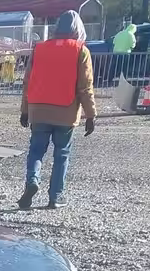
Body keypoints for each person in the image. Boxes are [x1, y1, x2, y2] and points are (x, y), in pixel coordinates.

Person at [19, 11, 96, 210]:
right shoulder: (81, 50)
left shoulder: (39, 49)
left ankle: (32, 180)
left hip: (38, 109)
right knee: (61, 154)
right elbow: (85, 87)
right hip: (66, 110)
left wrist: (25, 110)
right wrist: (90, 115)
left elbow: (27, 81)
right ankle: (56, 196)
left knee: (36, 151)